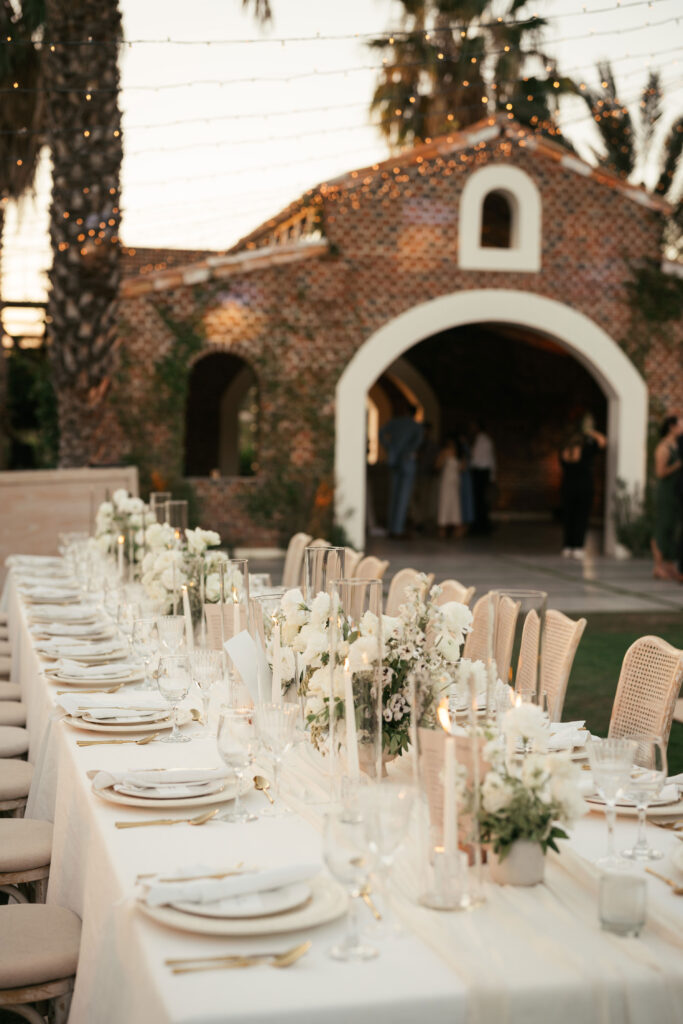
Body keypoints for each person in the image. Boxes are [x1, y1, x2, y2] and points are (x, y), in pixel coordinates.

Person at [559, 414, 607, 560]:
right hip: (584, 488)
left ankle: (568, 546)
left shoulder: (564, 451)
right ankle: (578, 546)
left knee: (569, 517)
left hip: (567, 487)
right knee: (581, 517)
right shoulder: (586, 449)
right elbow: (603, 442)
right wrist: (591, 431)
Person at [379, 399, 424, 539]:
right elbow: (417, 443)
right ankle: (397, 529)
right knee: (403, 497)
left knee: (394, 495)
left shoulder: (395, 423)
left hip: (394, 460)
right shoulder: (416, 426)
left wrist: (389, 448)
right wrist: (408, 451)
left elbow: (381, 434)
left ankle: (393, 528)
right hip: (407, 461)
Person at [652, 414, 682, 581]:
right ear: (672, 427)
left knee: (672, 528)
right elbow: (660, 472)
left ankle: (669, 566)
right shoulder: (663, 447)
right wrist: (678, 464)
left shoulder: (677, 445)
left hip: (676, 492)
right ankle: (658, 567)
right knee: (662, 528)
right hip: (665, 492)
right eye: (681, 424)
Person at [470, 421, 496, 535]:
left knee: (479, 500)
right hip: (484, 472)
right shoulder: (487, 440)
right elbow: (492, 459)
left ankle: (480, 526)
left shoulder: (481, 440)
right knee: (481, 500)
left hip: (480, 472)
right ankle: (482, 525)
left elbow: (475, 459)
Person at [436, 437, 462, 538]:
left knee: (455, 503)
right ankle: (442, 527)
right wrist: (442, 458)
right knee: (445, 502)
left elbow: (459, 468)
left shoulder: (457, 454)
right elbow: (437, 465)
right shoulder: (444, 452)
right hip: (446, 481)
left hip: (454, 482)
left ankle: (455, 526)